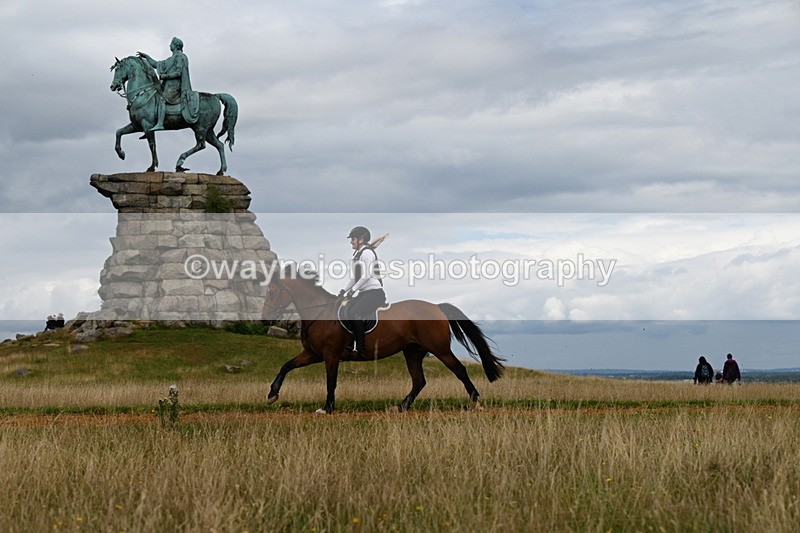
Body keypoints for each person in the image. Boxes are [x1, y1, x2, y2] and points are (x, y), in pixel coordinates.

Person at [339, 226, 386, 358]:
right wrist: (343, 291)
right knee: (346, 309)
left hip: (374, 293)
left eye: (353, 239)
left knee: (355, 313)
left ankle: (360, 350)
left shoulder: (367, 253)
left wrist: (352, 291)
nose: (351, 242)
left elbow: (366, 276)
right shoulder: (358, 254)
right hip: (364, 293)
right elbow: (355, 278)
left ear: (361, 239)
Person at [137, 37, 199, 135]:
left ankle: (160, 123)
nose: (169, 45)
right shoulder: (170, 59)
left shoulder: (180, 57)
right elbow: (157, 64)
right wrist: (147, 57)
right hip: (168, 85)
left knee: (161, 99)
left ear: (176, 45)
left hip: (175, 86)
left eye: (171, 44)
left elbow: (179, 72)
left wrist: (165, 76)